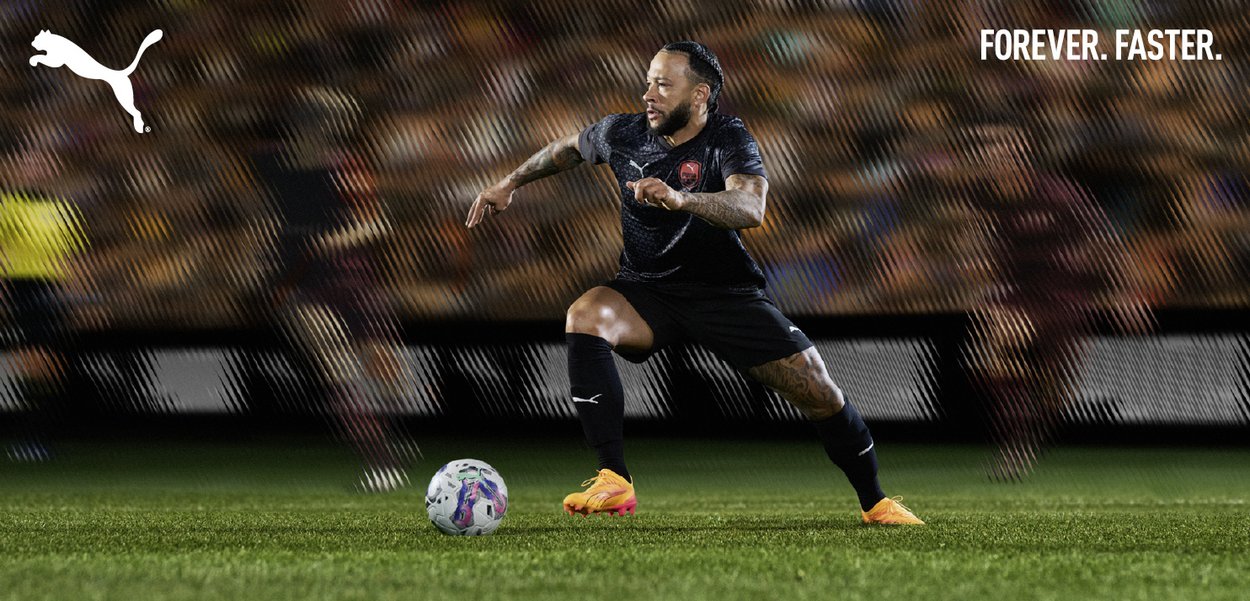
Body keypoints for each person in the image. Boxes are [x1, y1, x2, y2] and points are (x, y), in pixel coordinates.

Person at [467, 41, 922, 525]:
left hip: (724, 295)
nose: (649, 94)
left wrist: (681, 199)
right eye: (648, 82)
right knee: (586, 313)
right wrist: (509, 183)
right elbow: (566, 149)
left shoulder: (728, 137)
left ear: (700, 95)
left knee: (818, 390)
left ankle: (876, 503)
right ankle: (613, 478)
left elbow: (750, 208)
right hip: (648, 291)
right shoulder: (622, 133)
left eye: (663, 84)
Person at [251, 86, 414, 492]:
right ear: (305, 124)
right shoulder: (270, 163)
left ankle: (390, 440)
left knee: (384, 375)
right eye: (331, 123)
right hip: (299, 283)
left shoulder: (345, 165)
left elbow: (377, 224)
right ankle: (380, 460)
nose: (338, 131)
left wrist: (333, 242)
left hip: (352, 279)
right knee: (334, 364)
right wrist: (257, 253)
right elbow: (261, 212)